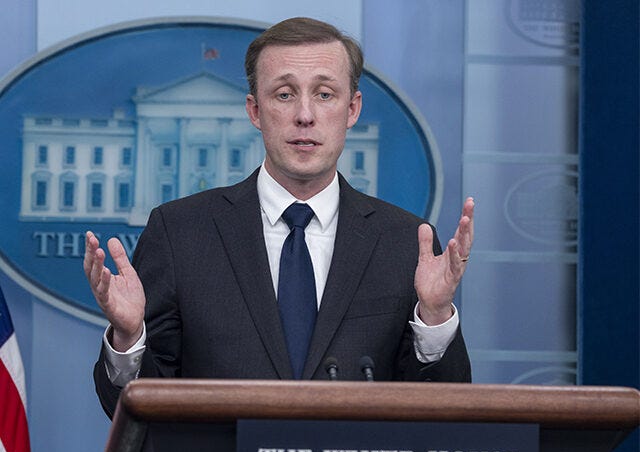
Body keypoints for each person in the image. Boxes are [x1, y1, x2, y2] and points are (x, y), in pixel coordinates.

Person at [86, 17, 474, 418]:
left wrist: (434, 318)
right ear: (255, 110)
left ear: (352, 109)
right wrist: (130, 337)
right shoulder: (181, 233)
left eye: (324, 94)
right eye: (285, 95)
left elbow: (443, 420)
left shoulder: (405, 241)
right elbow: (133, 413)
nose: (305, 115)